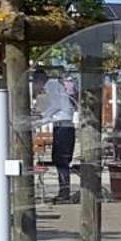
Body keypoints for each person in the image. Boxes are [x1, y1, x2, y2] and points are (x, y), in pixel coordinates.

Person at [33, 67, 78, 201]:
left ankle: (64, 192)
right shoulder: (54, 86)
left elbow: (55, 106)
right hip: (62, 126)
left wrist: (40, 119)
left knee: (61, 160)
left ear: (39, 80)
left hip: (63, 126)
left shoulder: (51, 86)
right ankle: (64, 191)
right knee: (60, 160)